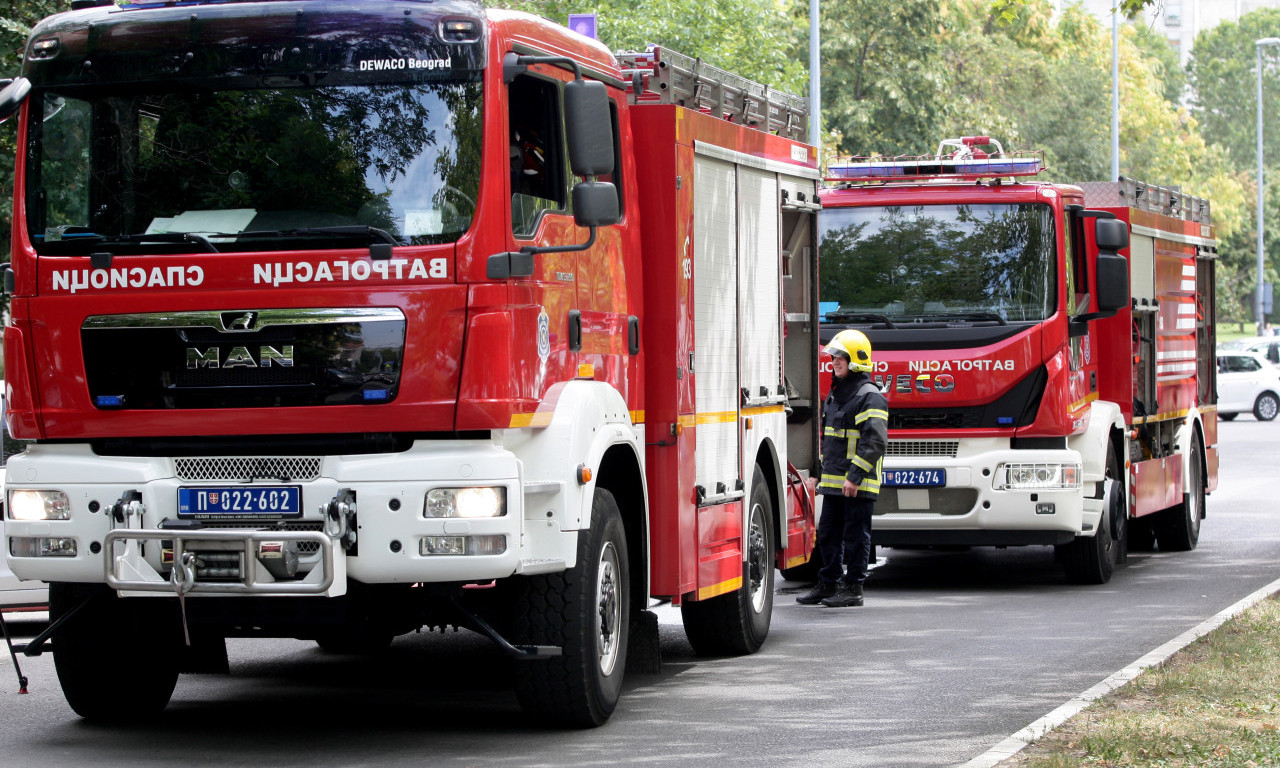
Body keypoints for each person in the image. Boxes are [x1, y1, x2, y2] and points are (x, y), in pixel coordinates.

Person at [797, 329, 888, 608]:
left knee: (856, 536)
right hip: (835, 483)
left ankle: (853, 588)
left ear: (856, 360)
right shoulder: (836, 394)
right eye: (834, 357)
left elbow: (874, 442)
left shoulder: (869, 396)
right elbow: (831, 440)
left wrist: (855, 477)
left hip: (857, 484)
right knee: (827, 534)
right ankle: (828, 584)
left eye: (841, 357)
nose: (835, 361)